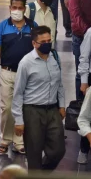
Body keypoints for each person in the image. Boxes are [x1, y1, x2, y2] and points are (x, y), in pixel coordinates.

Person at [0, 0, 38, 155]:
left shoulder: (33, 27)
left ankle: (19, 141)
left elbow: (38, 51)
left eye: (19, 7)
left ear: (25, 9)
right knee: (8, 107)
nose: (16, 10)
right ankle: (5, 139)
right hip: (7, 73)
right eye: (13, 7)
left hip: (27, 75)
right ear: (10, 8)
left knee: (23, 107)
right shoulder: (2, 27)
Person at [12, 26, 66, 171]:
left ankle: (42, 173)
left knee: (58, 150)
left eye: (49, 40)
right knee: (34, 153)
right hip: (32, 111)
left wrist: (62, 105)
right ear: (34, 43)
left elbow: (59, 83)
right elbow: (18, 93)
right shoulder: (26, 63)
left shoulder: (54, 57)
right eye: (43, 41)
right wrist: (18, 120)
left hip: (52, 109)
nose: (47, 43)